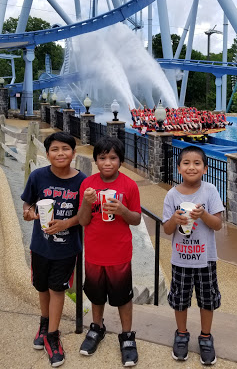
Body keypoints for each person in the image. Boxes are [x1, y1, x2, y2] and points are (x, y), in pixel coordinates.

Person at [22, 131, 87, 367]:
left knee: (57, 290)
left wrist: (66, 223)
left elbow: (85, 215)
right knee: (41, 287)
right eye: (55, 149)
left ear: (73, 153)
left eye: (65, 149)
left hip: (67, 249)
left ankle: (53, 336)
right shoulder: (38, 176)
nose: (60, 153)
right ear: (47, 154)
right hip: (40, 246)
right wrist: (28, 213)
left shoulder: (82, 181)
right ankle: (44, 323)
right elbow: (28, 203)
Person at [77, 136, 141, 366]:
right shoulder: (88, 185)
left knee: (123, 297)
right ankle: (97, 328)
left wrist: (123, 210)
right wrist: (86, 202)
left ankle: (127, 336)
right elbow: (83, 221)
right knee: (95, 295)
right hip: (94, 252)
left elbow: (136, 219)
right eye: (102, 157)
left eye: (113, 158)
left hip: (120, 253)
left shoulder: (129, 185)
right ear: (95, 160)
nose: (107, 162)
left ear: (120, 161)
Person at [162, 146, 224, 366]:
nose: (191, 167)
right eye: (186, 163)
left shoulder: (210, 191)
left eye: (197, 163)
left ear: (205, 168)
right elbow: (167, 230)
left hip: (205, 258)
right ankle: (181, 334)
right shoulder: (172, 194)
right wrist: (175, 221)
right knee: (180, 299)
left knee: (207, 299)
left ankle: (205, 337)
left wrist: (204, 214)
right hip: (181, 259)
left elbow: (217, 224)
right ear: (179, 168)